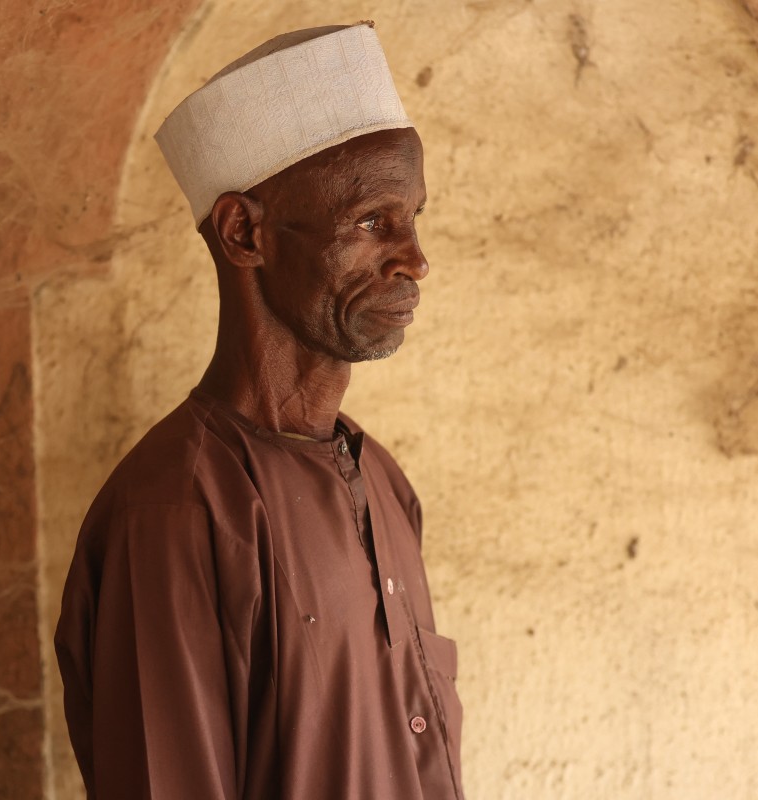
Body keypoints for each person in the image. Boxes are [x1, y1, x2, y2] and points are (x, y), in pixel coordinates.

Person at [55, 22, 464, 800]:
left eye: (413, 217)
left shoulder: (384, 485)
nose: (414, 258)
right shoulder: (175, 509)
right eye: (374, 222)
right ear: (246, 233)